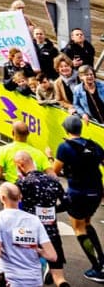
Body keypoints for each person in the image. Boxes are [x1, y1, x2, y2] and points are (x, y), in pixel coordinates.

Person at [51, 113, 104, 282]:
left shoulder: (64, 147)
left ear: (66, 129)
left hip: (78, 192)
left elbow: (55, 172)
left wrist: (50, 158)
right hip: (96, 191)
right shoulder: (94, 145)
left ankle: (97, 268)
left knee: (79, 228)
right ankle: (101, 262)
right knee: (87, 223)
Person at [0, 181, 57, 287]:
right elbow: (52, 256)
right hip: (34, 278)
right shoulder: (34, 220)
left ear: (2, 198)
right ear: (20, 197)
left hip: (11, 278)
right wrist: (36, 250)